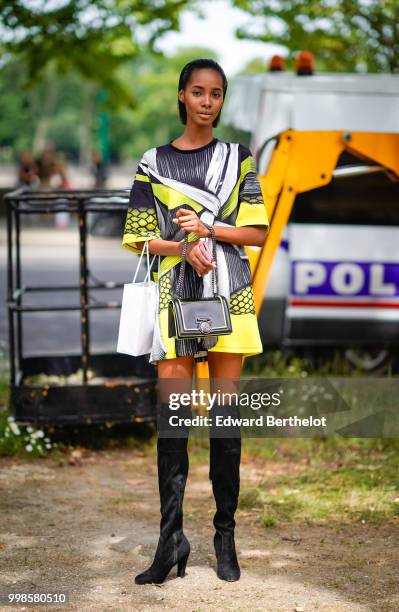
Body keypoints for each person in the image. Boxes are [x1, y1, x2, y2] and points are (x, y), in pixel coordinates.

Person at [121, 58, 269, 584]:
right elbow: (139, 235)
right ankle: (171, 542)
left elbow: (255, 234)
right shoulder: (153, 161)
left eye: (217, 94)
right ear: (182, 96)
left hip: (229, 291)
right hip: (174, 292)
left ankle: (224, 538)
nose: (207, 101)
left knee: (225, 418)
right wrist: (182, 247)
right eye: (198, 92)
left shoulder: (238, 158)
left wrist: (207, 231)